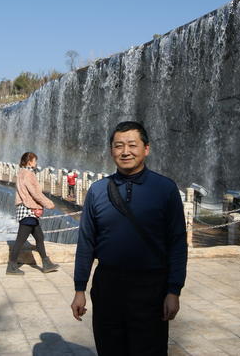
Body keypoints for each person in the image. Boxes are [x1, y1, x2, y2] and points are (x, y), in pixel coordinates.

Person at [71, 121, 188, 355]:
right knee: (110, 348)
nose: (125, 151)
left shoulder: (165, 188)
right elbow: (86, 242)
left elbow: (177, 242)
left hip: (151, 287)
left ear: (146, 149)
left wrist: (174, 290)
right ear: (111, 150)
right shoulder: (97, 190)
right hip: (108, 286)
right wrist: (79, 288)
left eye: (132, 145)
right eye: (118, 146)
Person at [6, 152, 60, 275]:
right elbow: (35, 193)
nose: (36, 163)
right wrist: (48, 203)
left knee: (39, 237)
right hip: (28, 210)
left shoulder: (21, 173)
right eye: (35, 160)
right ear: (29, 161)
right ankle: (11, 266)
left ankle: (46, 263)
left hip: (27, 210)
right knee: (20, 240)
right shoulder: (29, 174)